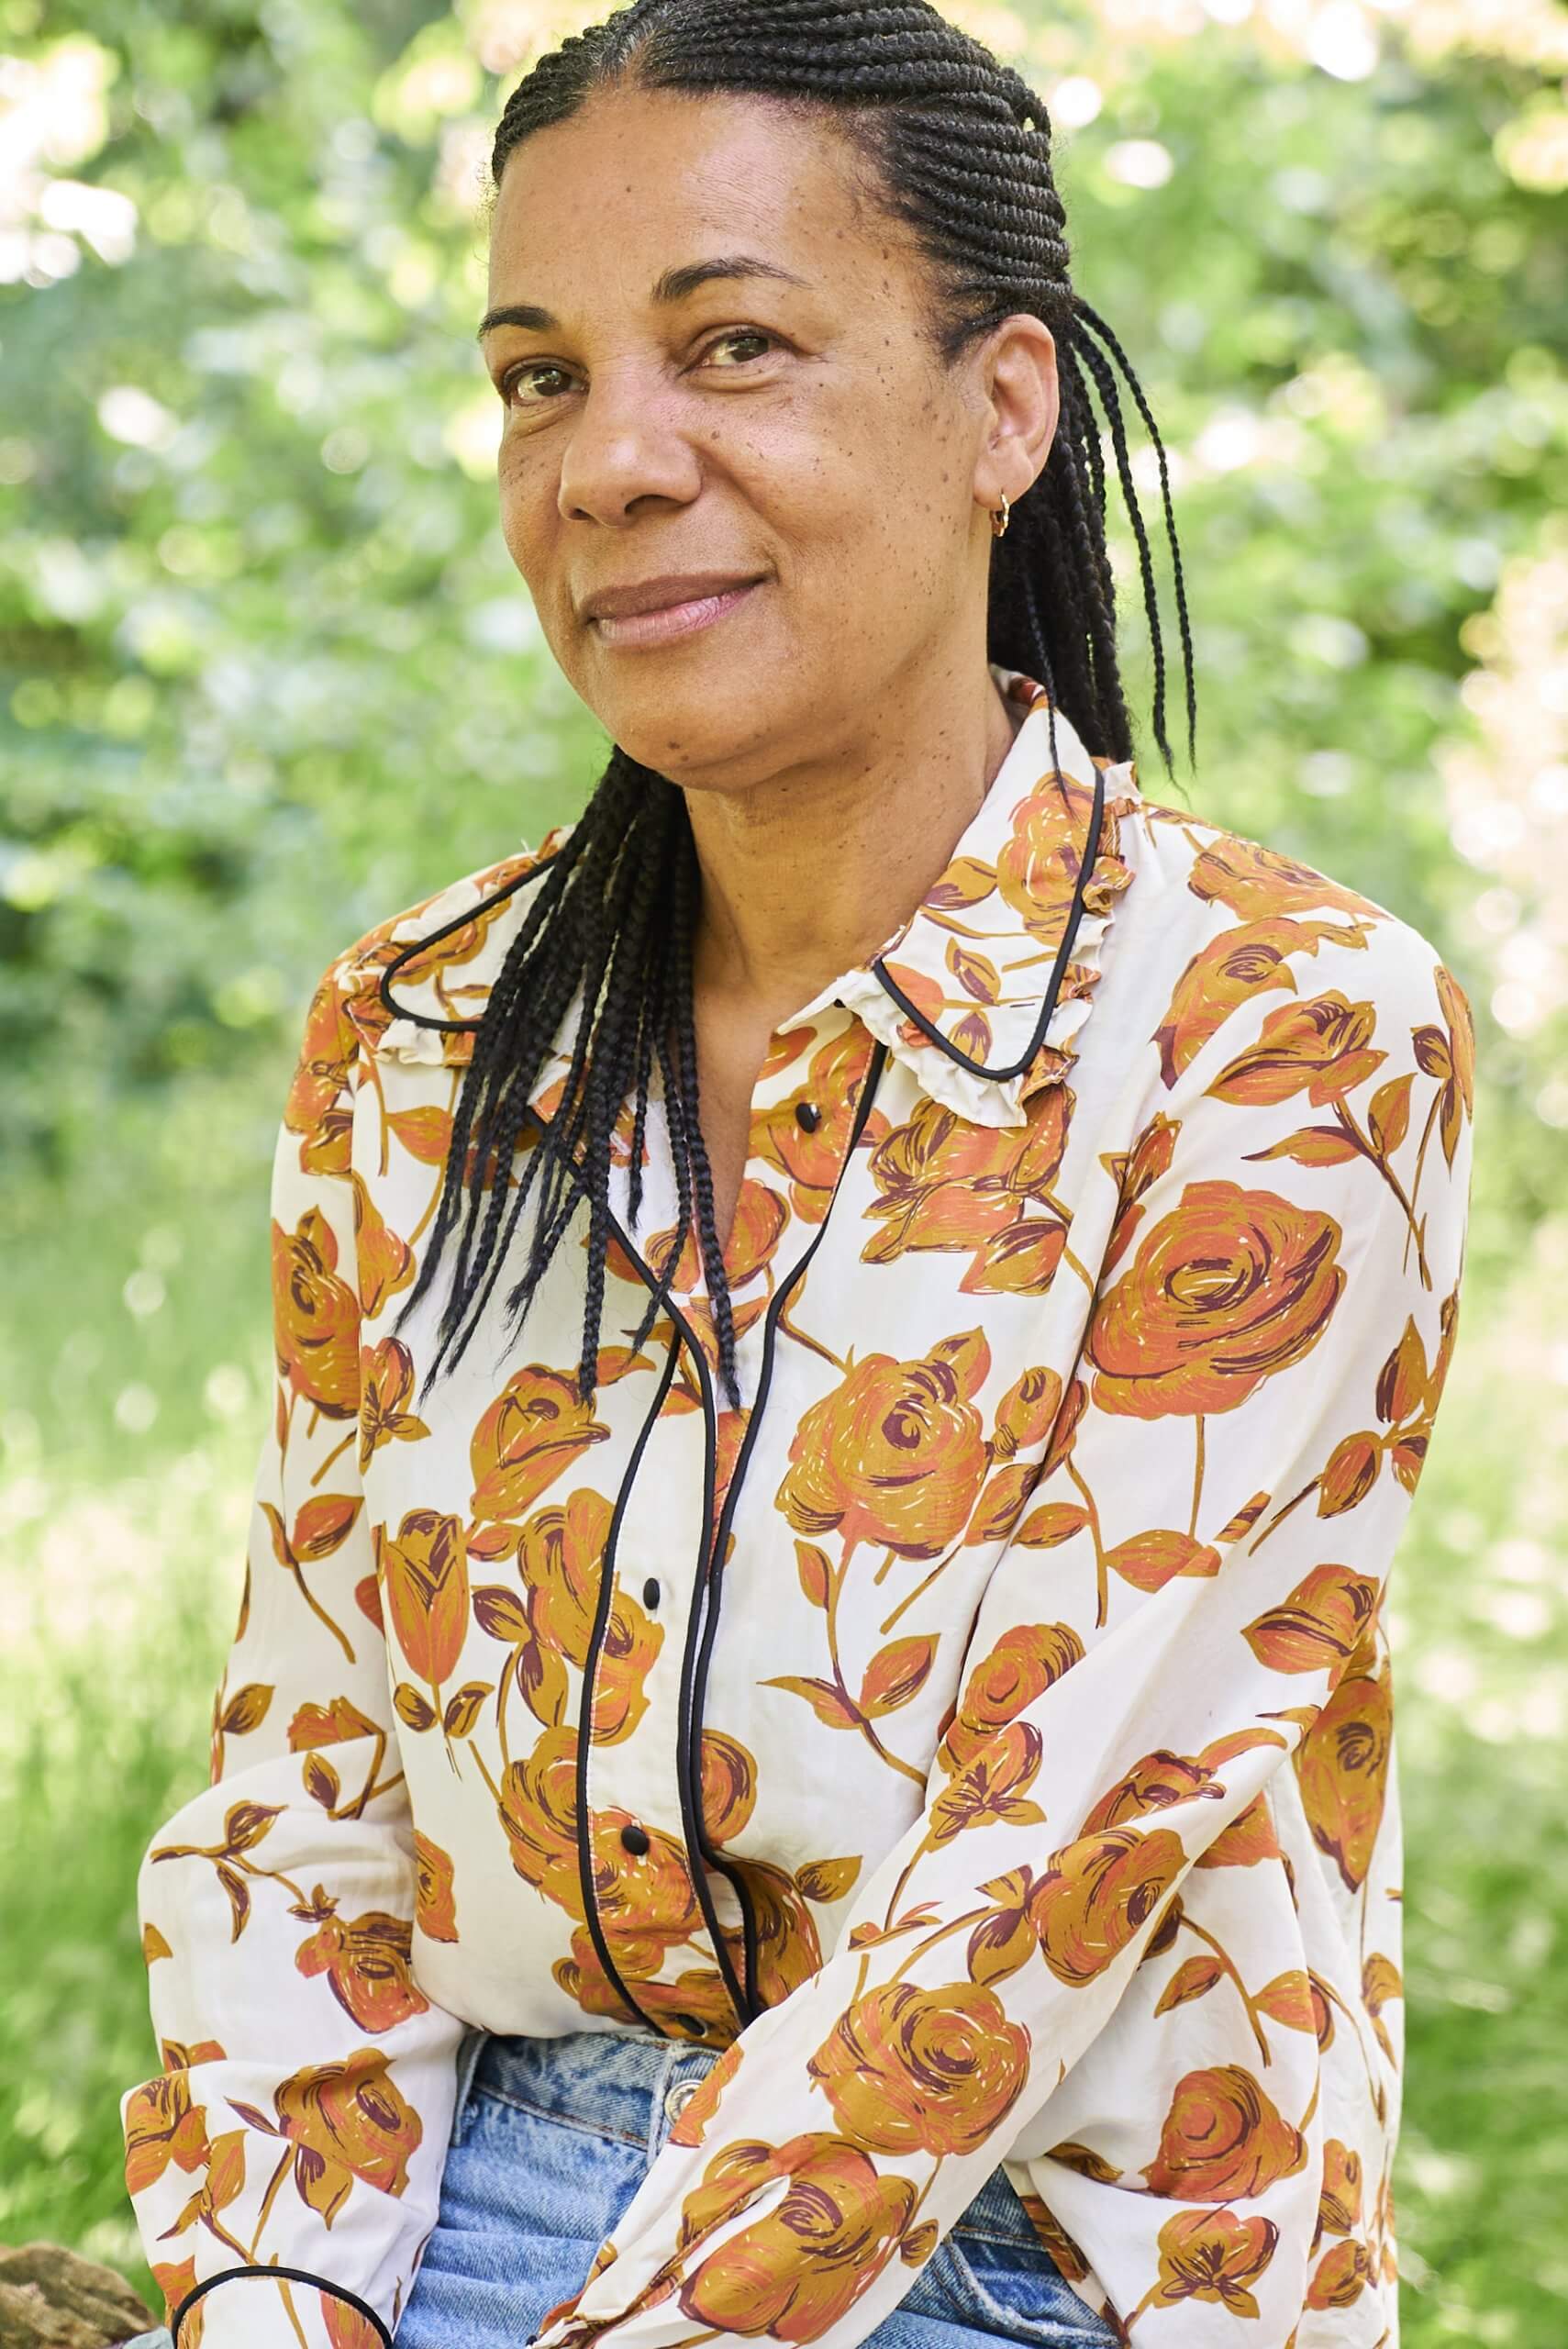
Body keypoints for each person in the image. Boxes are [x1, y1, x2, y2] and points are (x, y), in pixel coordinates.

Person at [117, 2, 1476, 2346]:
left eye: (730, 343)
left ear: (1004, 411)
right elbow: (309, 1773)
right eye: (538, 376)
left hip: (1035, 2252)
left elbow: (1041, 1869)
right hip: (445, 2198)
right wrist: (266, 2293)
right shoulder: (419, 1035)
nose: (610, 461)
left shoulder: (1276, 1028)